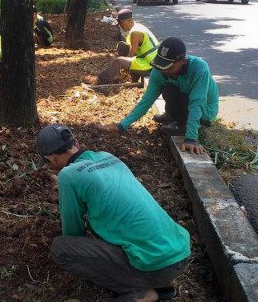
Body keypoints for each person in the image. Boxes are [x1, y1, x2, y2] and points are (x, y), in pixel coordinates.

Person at [36, 124, 190, 302]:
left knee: (61, 249)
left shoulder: (68, 175)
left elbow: (72, 233)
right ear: (75, 143)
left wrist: (67, 190)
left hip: (153, 264)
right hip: (178, 252)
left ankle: (140, 294)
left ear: (50, 159)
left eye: (47, 163)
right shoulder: (107, 157)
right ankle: (164, 285)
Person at [98, 37, 219, 154]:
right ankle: (171, 116)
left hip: (205, 109)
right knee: (168, 88)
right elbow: (146, 101)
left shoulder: (199, 68)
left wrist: (190, 138)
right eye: (162, 66)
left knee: (177, 93)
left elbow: (197, 103)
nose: (164, 71)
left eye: (169, 67)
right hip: (183, 100)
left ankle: (182, 125)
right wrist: (121, 126)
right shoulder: (160, 70)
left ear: (183, 61)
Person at [97, 8, 159, 85]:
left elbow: (131, 55)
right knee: (122, 46)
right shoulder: (138, 26)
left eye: (119, 24)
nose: (120, 27)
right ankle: (134, 75)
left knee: (118, 61)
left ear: (123, 23)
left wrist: (121, 65)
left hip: (151, 67)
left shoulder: (135, 33)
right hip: (151, 62)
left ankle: (100, 82)